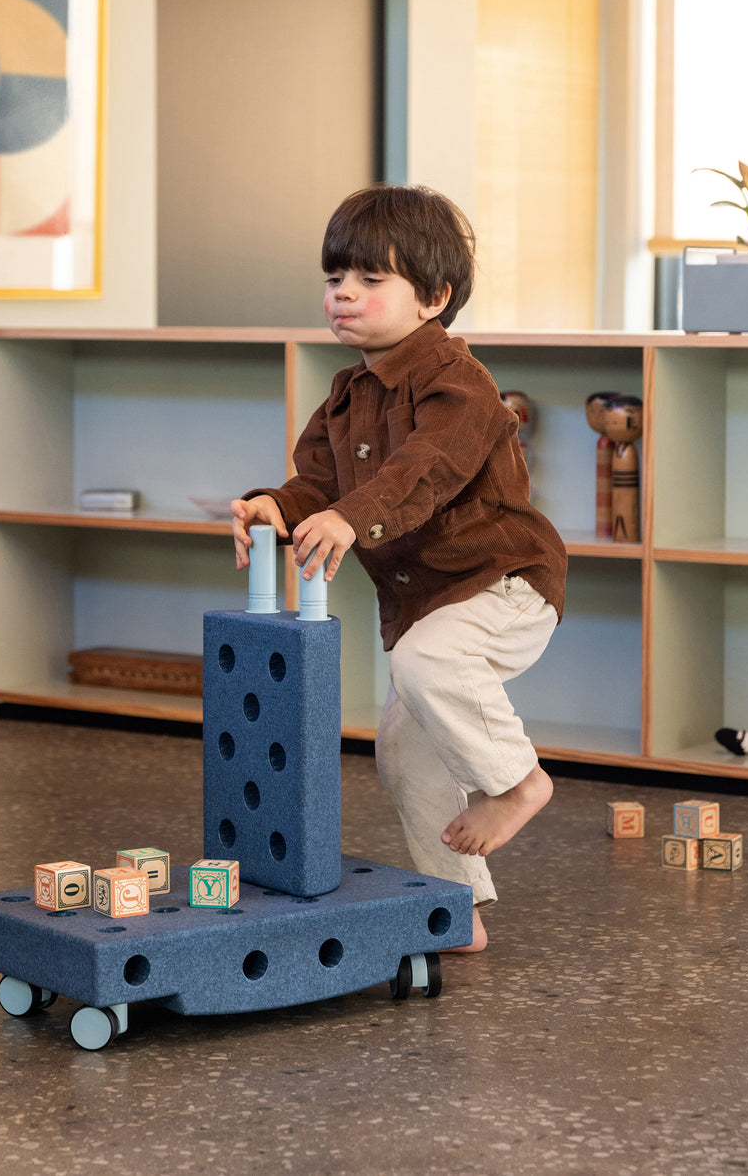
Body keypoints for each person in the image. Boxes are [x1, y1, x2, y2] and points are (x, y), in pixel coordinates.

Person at [230, 184, 567, 952]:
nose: (343, 295)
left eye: (370, 279)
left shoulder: (460, 383)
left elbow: (425, 469)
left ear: (434, 298)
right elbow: (318, 483)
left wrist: (351, 517)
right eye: (334, 279)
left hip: (504, 583)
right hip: (427, 606)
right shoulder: (346, 395)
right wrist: (274, 506)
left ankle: (518, 783)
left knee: (428, 660)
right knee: (408, 758)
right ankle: (457, 911)